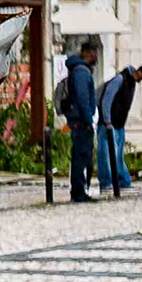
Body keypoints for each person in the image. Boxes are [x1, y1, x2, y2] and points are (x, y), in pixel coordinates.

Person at [97, 60, 142, 194]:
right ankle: (106, 183)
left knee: (118, 156)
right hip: (109, 124)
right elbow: (106, 99)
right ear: (138, 72)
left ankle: (122, 181)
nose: (140, 80)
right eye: (140, 77)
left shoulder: (131, 82)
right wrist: (107, 120)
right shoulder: (120, 79)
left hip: (119, 124)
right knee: (106, 155)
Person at [63, 39, 100, 202]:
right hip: (81, 121)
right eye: (93, 53)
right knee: (81, 156)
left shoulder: (79, 70)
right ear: (86, 53)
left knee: (82, 156)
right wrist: (87, 119)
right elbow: (83, 98)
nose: (95, 56)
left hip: (79, 119)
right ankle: (78, 192)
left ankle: (79, 190)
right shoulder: (81, 72)